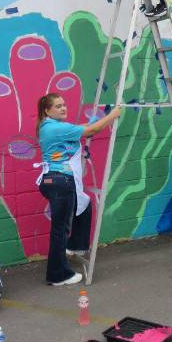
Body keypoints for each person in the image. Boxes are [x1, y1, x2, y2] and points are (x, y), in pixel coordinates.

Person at [35, 93, 122, 285]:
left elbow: (82, 128)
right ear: (47, 110)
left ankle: (75, 245)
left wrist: (91, 122)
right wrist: (113, 115)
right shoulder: (56, 128)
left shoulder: (49, 126)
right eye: (58, 106)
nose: (63, 108)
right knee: (60, 230)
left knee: (84, 203)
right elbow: (90, 131)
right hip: (60, 182)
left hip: (55, 181)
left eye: (64, 104)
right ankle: (57, 275)